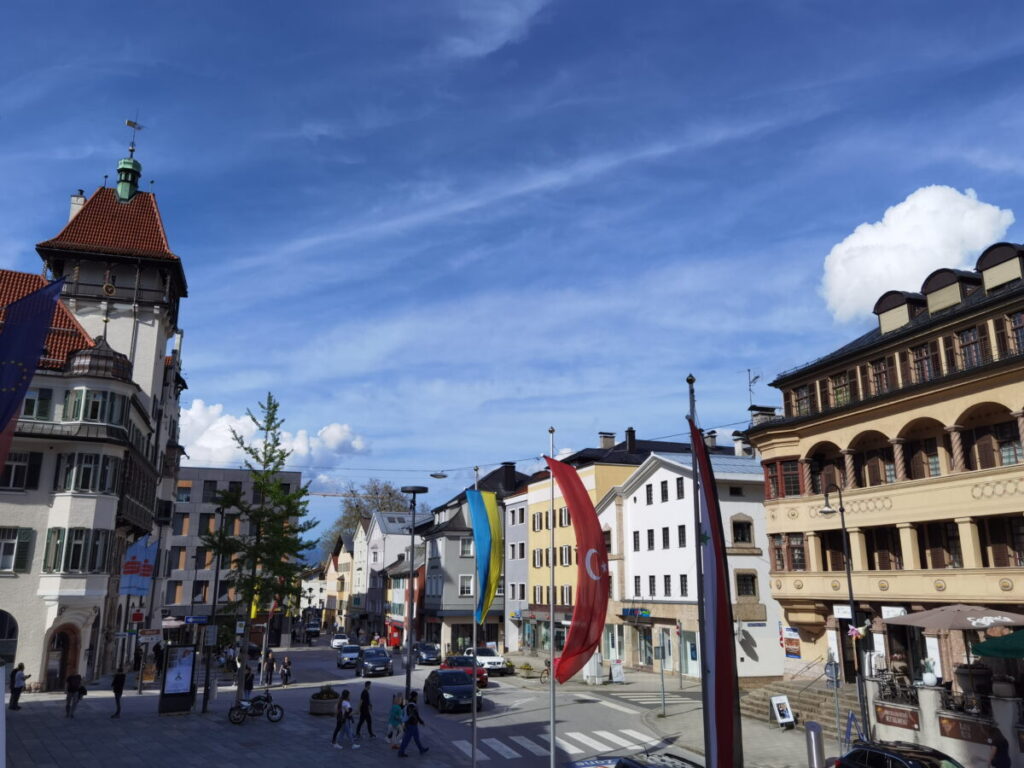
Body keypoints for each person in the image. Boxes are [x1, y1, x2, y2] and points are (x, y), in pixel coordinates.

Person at [397, 691, 428, 757]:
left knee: (416, 738)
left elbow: (415, 714)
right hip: (411, 725)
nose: (417, 698)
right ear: (414, 697)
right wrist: (420, 721)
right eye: (417, 696)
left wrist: (419, 721)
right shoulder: (411, 705)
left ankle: (421, 749)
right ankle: (401, 752)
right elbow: (413, 715)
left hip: (413, 724)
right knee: (406, 739)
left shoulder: (410, 703)